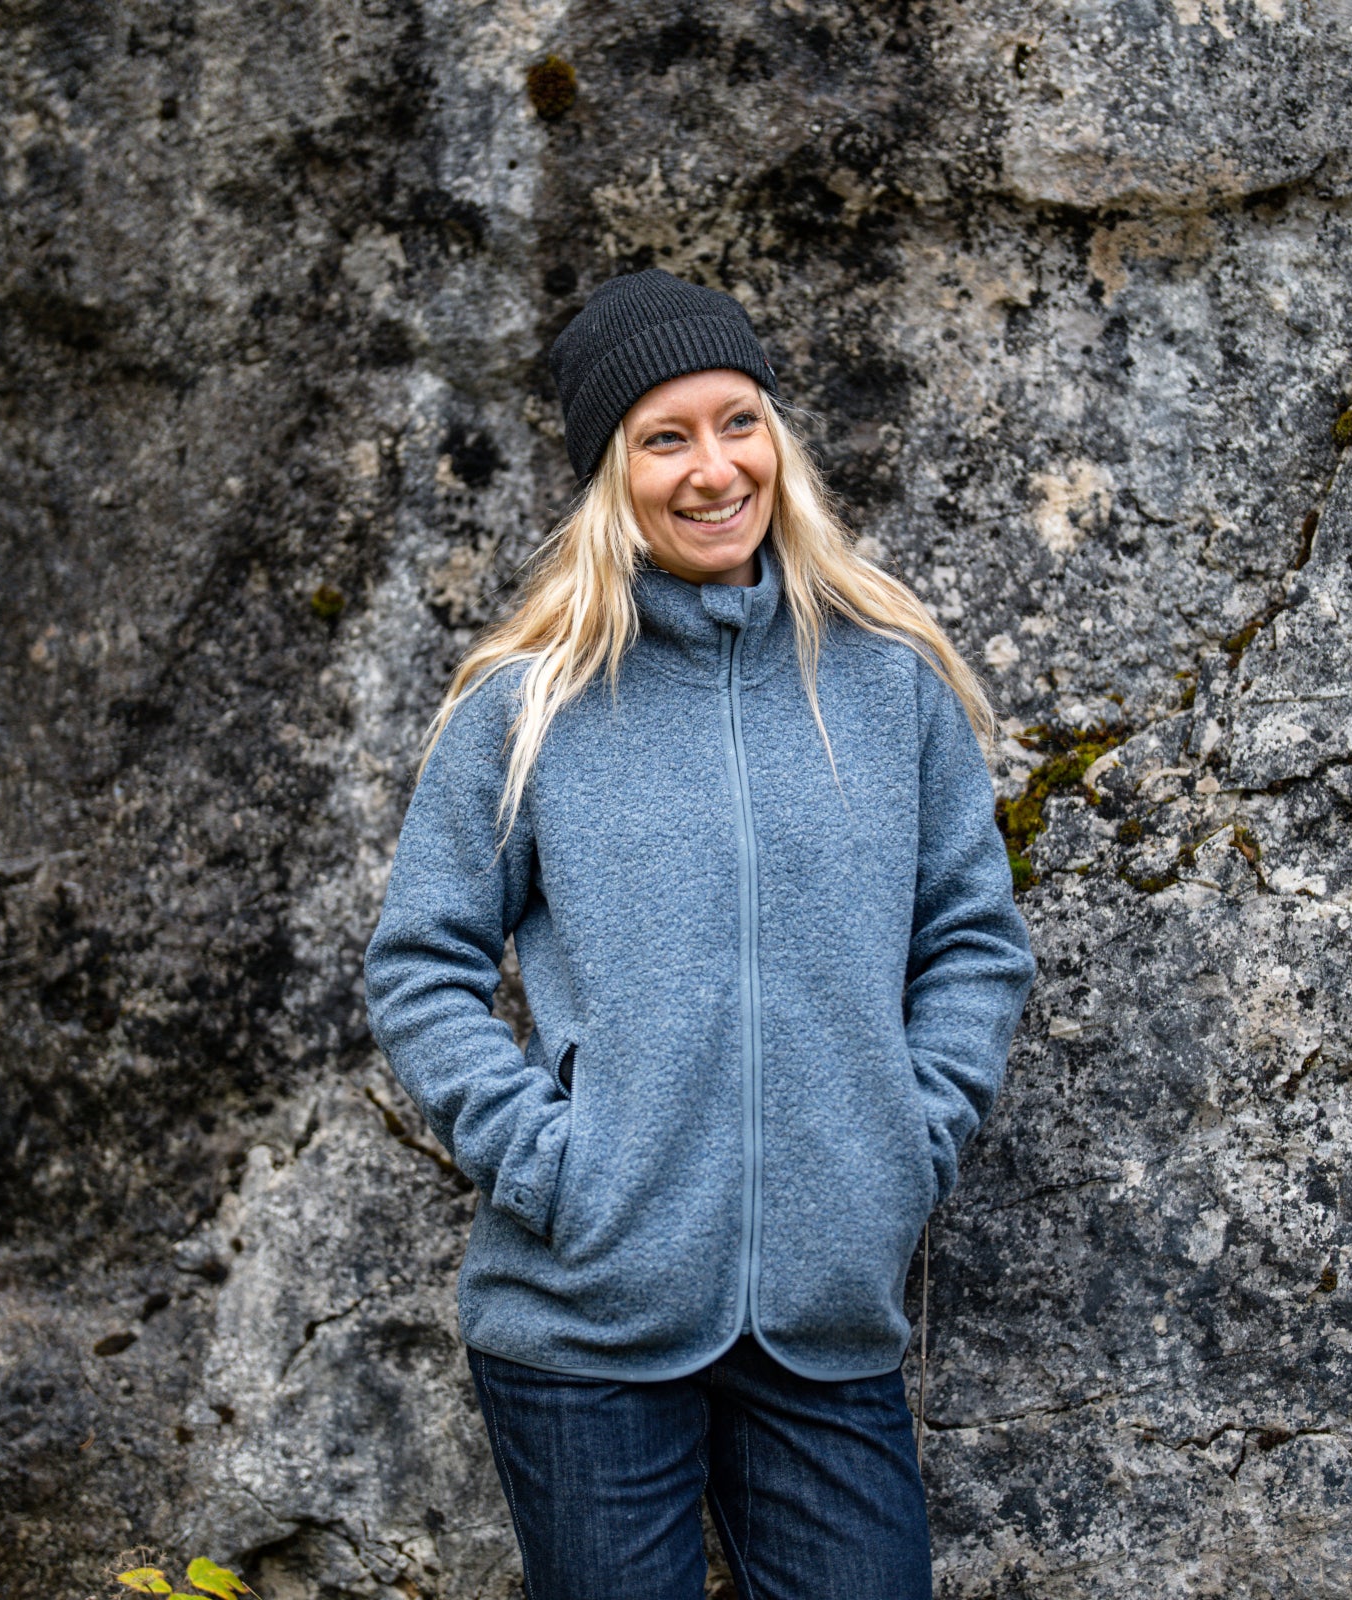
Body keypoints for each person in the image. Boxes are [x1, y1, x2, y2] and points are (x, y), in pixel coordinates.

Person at [363, 269, 1035, 1600]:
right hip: (585, 1323)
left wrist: (904, 1145)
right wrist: (555, 1166)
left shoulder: (887, 683)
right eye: (664, 438)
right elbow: (422, 966)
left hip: (826, 1321)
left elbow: (974, 942)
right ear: (612, 475)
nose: (715, 469)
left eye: (739, 422)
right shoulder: (529, 706)